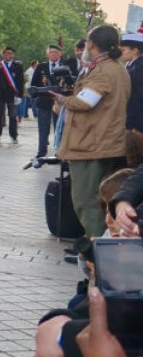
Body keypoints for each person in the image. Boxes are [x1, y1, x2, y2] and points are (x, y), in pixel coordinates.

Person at [55, 24, 130, 236]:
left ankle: (95, 245)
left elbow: (85, 102)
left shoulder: (103, 71)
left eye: (88, 41)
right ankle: (97, 242)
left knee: (86, 201)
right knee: (96, 199)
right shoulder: (115, 68)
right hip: (103, 142)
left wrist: (62, 99)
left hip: (91, 145)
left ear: (92, 44)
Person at [31, 45, 78, 158]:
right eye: (51, 52)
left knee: (60, 128)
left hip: (61, 102)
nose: (53, 54)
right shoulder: (41, 66)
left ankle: (60, 153)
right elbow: (34, 83)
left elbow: (73, 82)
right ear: (47, 54)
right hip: (44, 101)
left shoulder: (67, 65)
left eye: (56, 52)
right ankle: (41, 152)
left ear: (61, 53)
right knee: (43, 129)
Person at [0, 46, 25, 143]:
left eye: (10, 53)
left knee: (12, 116)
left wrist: (20, 96)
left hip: (12, 94)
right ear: (3, 54)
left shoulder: (17, 66)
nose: (8, 55)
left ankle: (14, 136)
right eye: (6, 53)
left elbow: (20, 82)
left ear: (13, 55)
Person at [122, 33, 143, 157]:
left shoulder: (140, 68)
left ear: (135, 50)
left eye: (124, 50)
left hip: (137, 124)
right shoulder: (131, 65)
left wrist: (137, 126)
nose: (121, 53)